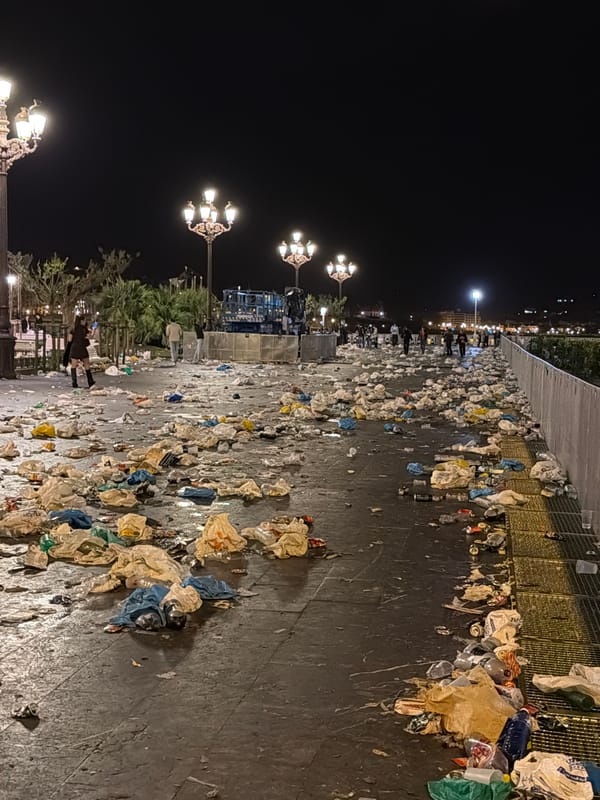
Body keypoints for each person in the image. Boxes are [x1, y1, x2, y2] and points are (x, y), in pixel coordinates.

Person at [67, 316, 95, 388]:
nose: (85, 322)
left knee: (73, 365)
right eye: (84, 320)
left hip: (74, 348)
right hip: (82, 347)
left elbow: (69, 340)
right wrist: (94, 328)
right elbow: (90, 336)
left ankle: (74, 383)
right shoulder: (84, 329)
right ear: (81, 321)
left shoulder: (73, 329)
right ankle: (90, 382)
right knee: (86, 364)